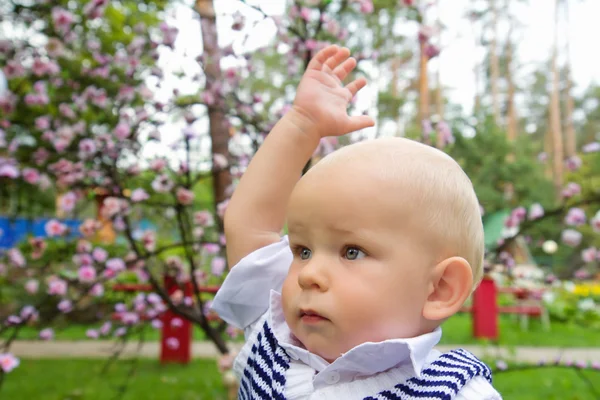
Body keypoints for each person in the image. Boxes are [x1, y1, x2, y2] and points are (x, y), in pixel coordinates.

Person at [212, 45, 502, 400]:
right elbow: (249, 225)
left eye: (352, 252)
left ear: (439, 288)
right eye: (302, 250)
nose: (308, 273)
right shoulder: (272, 344)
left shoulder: (456, 392)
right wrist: (302, 123)